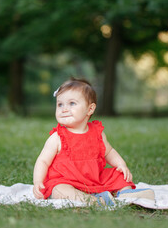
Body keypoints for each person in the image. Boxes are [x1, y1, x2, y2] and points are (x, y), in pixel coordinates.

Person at [33, 78, 154, 206]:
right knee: (58, 189)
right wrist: (38, 181)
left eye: (72, 103)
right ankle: (92, 200)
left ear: (90, 109)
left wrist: (121, 164)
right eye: (60, 104)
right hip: (66, 180)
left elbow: (109, 152)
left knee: (117, 174)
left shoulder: (97, 133)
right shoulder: (57, 137)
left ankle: (125, 193)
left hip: (94, 179)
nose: (64, 109)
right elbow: (43, 161)